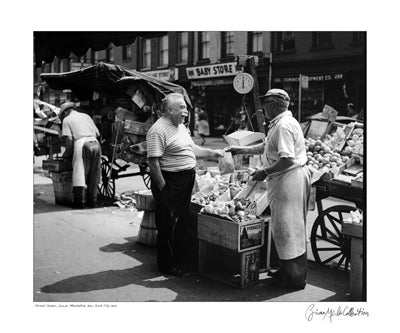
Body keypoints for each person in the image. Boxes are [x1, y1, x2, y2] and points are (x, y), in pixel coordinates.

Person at [226, 88, 311, 290]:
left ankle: (294, 278)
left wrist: (265, 171)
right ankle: (287, 270)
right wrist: (239, 149)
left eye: (265, 104)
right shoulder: (280, 123)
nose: (262, 109)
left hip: (288, 179)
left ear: (273, 105)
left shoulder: (283, 126)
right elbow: (265, 146)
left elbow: (288, 159)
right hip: (284, 178)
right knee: (285, 227)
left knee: (288, 228)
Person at [146, 93, 223, 277]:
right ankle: (166, 265)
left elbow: (192, 149)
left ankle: (179, 259)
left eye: (185, 108)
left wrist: (212, 153)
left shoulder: (181, 127)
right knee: (167, 223)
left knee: (182, 221)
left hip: (186, 180)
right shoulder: (158, 130)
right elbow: (153, 163)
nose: (185, 111)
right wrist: (164, 189)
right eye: (181, 108)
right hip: (170, 180)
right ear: (169, 110)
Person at [60, 102, 102, 209]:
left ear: (65, 112)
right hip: (95, 143)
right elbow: (97, 133)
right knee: (94, 173)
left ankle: (78, 202)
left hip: (82, 144)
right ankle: (92, 202)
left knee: (79, 173)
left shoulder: (67, 120)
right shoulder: (86, 116)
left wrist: (66, 154)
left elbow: (69, 140)